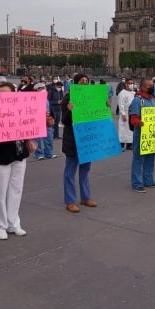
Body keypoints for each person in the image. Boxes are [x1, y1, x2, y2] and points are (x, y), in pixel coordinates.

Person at [0, 82, 32, 239]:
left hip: (19, 154)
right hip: (0, 156)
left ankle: (14, 223)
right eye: (0, 94)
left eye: (6, 93)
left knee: (16, 190)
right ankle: (0, 225)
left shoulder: (23, 106)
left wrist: (45, 119)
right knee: (0, 192)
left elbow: (31, 124)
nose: (3, 96)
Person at [61, 73, 97, 212]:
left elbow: (97, 115)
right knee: (70, 172)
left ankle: (85, 197)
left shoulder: (92, 97)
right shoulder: (67, 99)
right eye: (82, 81)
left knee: (85, 170)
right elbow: (65, 121)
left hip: (87, 139)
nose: (85, 82)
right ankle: (70, 201)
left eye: (87, 81)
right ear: (75, 83)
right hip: (73, 140)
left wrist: (105, 106)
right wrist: (69, 111)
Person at [129, 77, 155, 192]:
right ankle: (137, 183)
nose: (152, 88)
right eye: (149, 86)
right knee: (139, 158)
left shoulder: (152, 99)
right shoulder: (137, 100)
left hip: (152, 134)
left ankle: (148, 180)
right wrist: (141, 123)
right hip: (141, 134)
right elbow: (133, 118)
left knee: (151, 157)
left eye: (152, 85)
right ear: (143, 87)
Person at [34, 82, 57, 160]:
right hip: (37, 121)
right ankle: (39, 154)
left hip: (47, 120)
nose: (43, 90)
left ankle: (49, 153)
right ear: (36, 90)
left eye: (43, 88)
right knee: (38, 139)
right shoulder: (33, 99)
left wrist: (51, 116)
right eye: (40, 89)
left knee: (49, 137)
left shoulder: (46, 98)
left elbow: (50, 108)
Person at [117, 78, 136, 151]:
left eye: (132, 83)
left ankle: (129, 144)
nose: (131, 85)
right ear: (126, 84)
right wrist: (123, 114)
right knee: (123, 130)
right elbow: (120, 104)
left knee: (130, 130)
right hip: (125, 113)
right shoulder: (122, 93)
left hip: (132, 113)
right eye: (129, 83)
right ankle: (121, 145)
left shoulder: (133, 93)